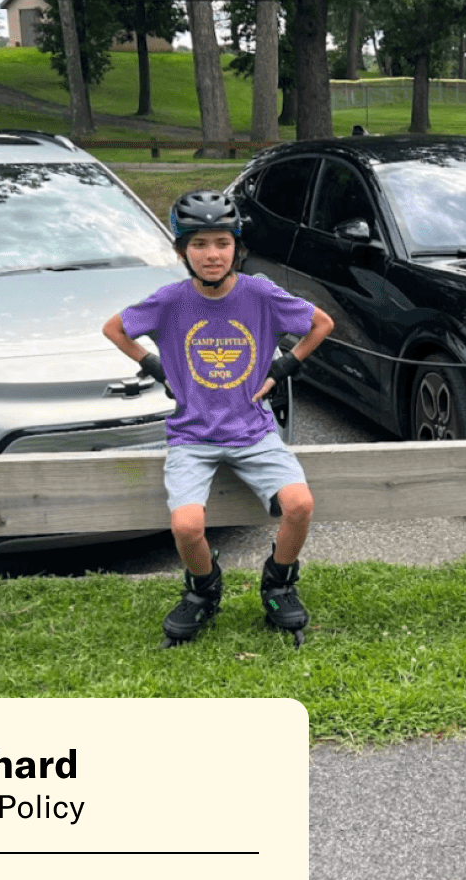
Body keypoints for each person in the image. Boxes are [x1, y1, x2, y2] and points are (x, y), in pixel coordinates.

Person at [102, 189, 334, 647]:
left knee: (300, 505)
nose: (212, 255)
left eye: (222, 243)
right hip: (192, 435)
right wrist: (157, 368)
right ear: (182, 251)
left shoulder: (259, 293)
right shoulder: (170, 300)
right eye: (199, 244)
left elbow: (321, 324)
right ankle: (203, 590)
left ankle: (278, 584)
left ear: (237, 247)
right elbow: (114, 328)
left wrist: (283, 367)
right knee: (187, 527)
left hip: (254, 431)